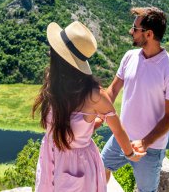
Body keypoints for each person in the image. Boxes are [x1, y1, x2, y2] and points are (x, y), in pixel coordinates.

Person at [33, 21, 145, 192]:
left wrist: (130, 154)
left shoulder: (94, 96)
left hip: (77, 163)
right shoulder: (54, 80)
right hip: (50, 155)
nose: (50, 52)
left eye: (54, 49)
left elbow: (118, 129)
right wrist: (89, 124)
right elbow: (70, 124)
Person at [101, 7, 169, 192]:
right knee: (100, 169)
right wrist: (99, 113)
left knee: (146, 190)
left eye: (135, 28)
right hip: (121, 137)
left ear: (148, 34)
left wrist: (145, 142)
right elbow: (113, 89)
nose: (131, 31)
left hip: (150, 148)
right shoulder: (129, 57)